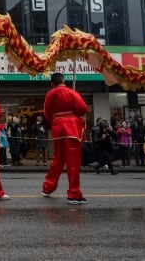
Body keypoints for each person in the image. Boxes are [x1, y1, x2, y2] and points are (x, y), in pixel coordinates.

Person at [40, 73, 88, 205]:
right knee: (73, 163)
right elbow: (83, 108)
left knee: (57, 160)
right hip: (71, 128)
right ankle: (74, 194)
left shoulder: (49, 94)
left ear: (52, 83)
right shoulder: (71, 92)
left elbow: (47, 114)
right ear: (63, 80)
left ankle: (47, 187)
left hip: (58, 128)